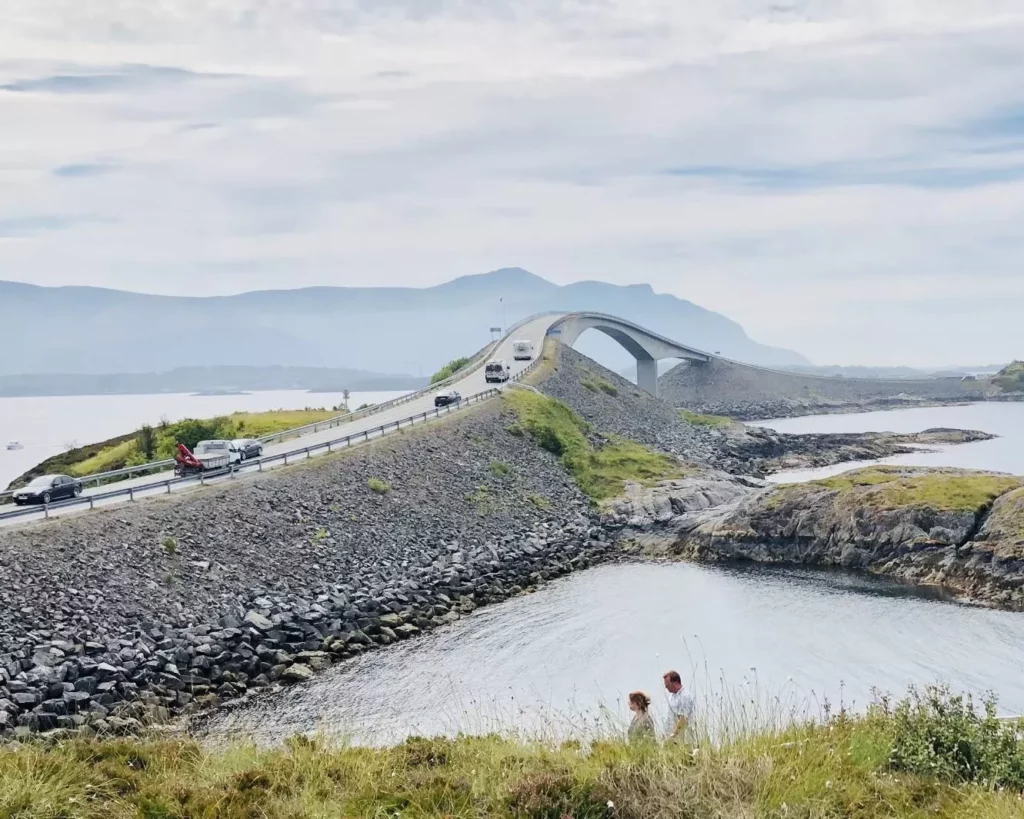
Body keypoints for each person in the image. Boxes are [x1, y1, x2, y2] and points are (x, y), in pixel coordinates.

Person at [662, 670, 694, 741]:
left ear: (675, 683)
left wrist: (673, 735)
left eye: (668, 685)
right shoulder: (672, 696)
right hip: (671, 736)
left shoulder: (685, 696)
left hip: (683, 737)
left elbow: (683, 718)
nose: (666, 687)